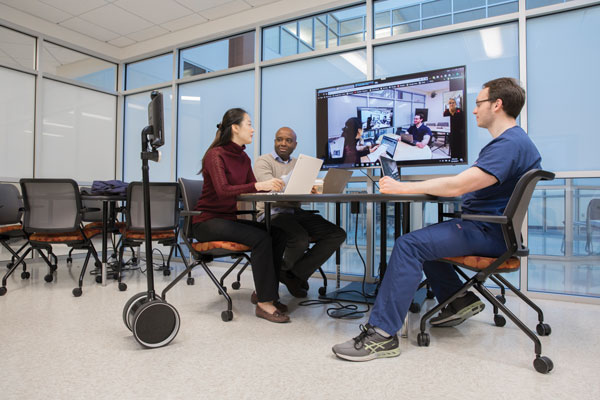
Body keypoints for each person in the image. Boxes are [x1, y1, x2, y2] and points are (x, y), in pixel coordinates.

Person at [332, 77, 542, 361]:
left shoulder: (507, 144)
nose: (475, 110)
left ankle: (381, 335)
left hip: (486, 231)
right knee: (428, 238)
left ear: (497, 104)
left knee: (409, 245)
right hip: (494, 230)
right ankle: (459, 300)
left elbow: (458, 186)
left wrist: (402, 187)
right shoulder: (518, 142)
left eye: (479, 103)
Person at [192, 108, 290, 323]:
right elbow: (223, 190)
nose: (253, 129)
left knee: (279, 234)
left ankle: (266, 294)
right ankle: (265, 304)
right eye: (249, 124)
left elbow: (252, 189)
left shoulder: (243, 157)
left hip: (227, 220)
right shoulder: (214, 155)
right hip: (207, 222)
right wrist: (259, 184)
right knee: (262, 238)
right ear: (235, 128)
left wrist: (278, 186)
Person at [254, 127, 347, 298]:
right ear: (274, 141)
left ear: (295, 144)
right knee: (300, 238)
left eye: (288, 140)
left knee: (337, 234)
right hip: (270, 213)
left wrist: (311, 189)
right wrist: (293, 184)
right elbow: (269, 186)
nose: (283, 143)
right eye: (279, 139)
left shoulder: (299, 164)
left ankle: (292, 274)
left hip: (294, 212)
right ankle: (278, 276)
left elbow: (298, 193)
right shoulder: (263, 161)